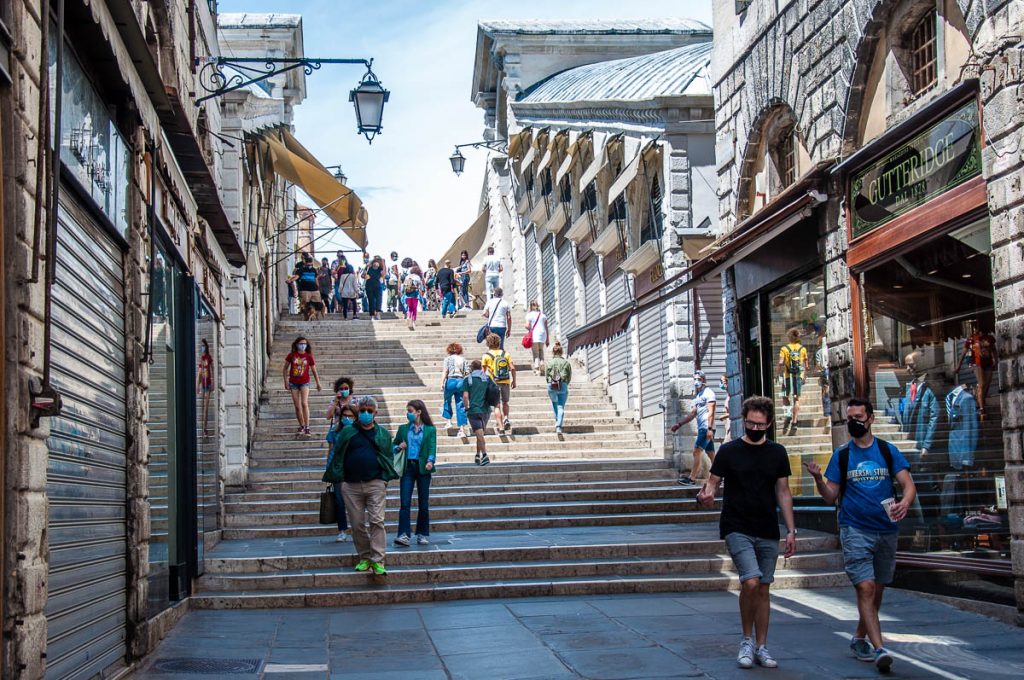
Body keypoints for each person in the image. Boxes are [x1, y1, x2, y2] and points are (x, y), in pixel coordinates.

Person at [804, 397, 917, 673]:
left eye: (858, 416)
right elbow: (831, 496)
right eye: (849, 417)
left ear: (870, 419)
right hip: (855, 529)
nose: (853, 421)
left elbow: (908, 485)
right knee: (865, 587)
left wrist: (905, 502)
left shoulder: (887, 451)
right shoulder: (842, 455)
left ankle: (858, 637)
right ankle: (880, 649)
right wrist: (819, 480)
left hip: (886, 529)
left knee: (877, 589)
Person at [696, 396, 796, 670]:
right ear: (744, 420)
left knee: (764, 587)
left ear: (769, 424)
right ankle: (746, 639)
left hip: (766, 527)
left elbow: (783, 492)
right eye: (750, 423)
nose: (754, 427)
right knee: (750, 581)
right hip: (736, 525)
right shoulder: (729, 451)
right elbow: (712, 483)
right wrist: (706, 495)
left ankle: (762, 646)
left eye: (760, 424)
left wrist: (790, 529)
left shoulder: (777, 453)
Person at [322, 396, 399, 576]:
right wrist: (339, 478)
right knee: (357, 524)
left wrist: (384, 480)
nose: (365, 413)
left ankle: (378, 560)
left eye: (369, 411)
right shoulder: (348, 432)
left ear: (375, 413)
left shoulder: (383, 434)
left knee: (377, 521)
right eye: (362, 410)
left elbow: (388, 457)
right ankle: (365, 557)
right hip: (351, 485)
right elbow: (338, 454)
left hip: (375, 483)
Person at [393, 399, 436, 547]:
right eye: (407, 411)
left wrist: (431, 461)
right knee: (405, 502)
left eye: (410, 411)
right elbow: (393, 446)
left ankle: (422, 533)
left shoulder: (430, 429)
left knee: (423, 503)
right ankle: (403, 534)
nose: (408, 414)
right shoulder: (403, 429)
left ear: (419, 412)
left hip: (423, 467)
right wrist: (399, 446)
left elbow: (432, 447)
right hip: (408, 468)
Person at [671, 370, 717, 486]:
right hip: (703, 427)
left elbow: (711, 412)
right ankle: (721, 476)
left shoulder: (709, 393)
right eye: (695, 379)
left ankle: (692, 478)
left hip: (706, 428)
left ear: (704, 380)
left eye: (699, 379)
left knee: (696, 452)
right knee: (711, 454)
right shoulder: (698, 395)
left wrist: (710, 429)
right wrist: (679, 424)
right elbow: (693, 414)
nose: (696, 381)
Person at [325, 402, 356, 543]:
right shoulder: (334, 431)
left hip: (353, 468)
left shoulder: (358, 431)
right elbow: (330, 449)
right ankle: (342, 530)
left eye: (350, 416)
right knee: (339, 500)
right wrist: (329, 468)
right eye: (345, 415)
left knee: (354, 501)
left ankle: (356, 527)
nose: (347, 418)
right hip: (337, 469)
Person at [283, 337, 322, 436]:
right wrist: (286, 381)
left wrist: (318, 383)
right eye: (300, 343)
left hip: (305, 382)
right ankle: (302, 425)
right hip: (293, 383)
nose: (302, 345)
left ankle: (307, 427)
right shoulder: (291, 355)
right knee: (297, 406)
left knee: (304, 403)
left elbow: (314, 370)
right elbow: (285, 369)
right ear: (296, 344)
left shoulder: (309, 356)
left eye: (304, 343)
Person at [462, 359, 494, 466]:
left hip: (474, 411)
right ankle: (478, 454)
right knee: (480, 434)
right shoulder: (487, 378)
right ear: (481, 368)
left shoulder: (468, 380)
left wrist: (466, 408)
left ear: (471, 368)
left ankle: (483, 455)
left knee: (479, 434)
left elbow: (465, 396)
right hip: (486, 411)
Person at [482, 332, 516, 432]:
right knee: (505, 402)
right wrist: (514, 380)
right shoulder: (505, 354)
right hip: (505, 381)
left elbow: (482, 372)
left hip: (493, 383)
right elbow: (512, 368)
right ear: (499, 343)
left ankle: (500, 427)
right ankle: (506, 418)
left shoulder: (486, 356)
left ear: (488, 343)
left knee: (497, 405)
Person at [778, 328, 808, 436]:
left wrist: (778, 372)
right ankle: (795, 422)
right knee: (796, 398)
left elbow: (781, 362)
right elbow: (806, 365)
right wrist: (804, 375)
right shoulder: (803, 349)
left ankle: (788, 414)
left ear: (789, 337)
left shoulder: (784, 349)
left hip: (787, 377)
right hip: (798, 376)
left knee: (785, 397)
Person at [441, 342, 470, 437]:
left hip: (451, 380)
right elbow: (467, 373)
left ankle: (449, 421)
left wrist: (441, 382)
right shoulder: (463, 359)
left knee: (447, 400)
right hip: (460, 381)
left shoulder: (447, 359)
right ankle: (461, 429)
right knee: (461, 404)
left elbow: (445, 371)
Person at [545, 342, 571, 435]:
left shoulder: (549, 363)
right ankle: (559, 426)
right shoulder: (566, 363)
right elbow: (569, 376)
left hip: (551, 385)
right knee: (560, 406)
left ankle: (557, 420)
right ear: (561, 352)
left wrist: (549, 383)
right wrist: (565, 383)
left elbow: (546, 375)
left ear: (553, 352)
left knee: (554, 403)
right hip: (563, 384)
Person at [482, 287, 512, 351]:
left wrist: (489, 316)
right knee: (500, 346)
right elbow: (509, 317)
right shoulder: (505, 303)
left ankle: (492, 358)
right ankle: (500, 359)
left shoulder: (490, 302)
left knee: (492, 345)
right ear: (502, 294)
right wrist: (509, 329)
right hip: (502, 326)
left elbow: (484, 313)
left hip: (492, 326)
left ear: (494, 294)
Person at [524, 301, 550, 375]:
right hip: (542, 335)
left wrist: (527, 327)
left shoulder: (529, 315)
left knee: (535, 353)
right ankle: (542, 363)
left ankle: (536, 369)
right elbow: (546, 327)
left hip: (534, 335)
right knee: (541, 350)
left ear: (530, 306)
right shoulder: (543, 315)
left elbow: (527, 326)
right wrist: (547, 339)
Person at [196, 339, 214, 437]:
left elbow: (212, 369)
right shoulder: (201, 359)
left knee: (206, 407)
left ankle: (205, 428)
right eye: (201, 346)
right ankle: (203, 428)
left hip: (208, 384)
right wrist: (197, 385)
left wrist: (213, 382)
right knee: (203, 406)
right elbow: (199, 373)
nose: (202, 348)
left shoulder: (208, 357)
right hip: (203, 384)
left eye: (203, 346)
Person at [403, 265, 424, 330]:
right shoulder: (417, 277)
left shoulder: (407, 276)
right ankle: (414, 322)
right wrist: (421, 295)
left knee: (409, 308)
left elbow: (403, 286)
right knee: (414, 308)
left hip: (407, 295)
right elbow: (420, 287)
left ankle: (408, 317)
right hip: (415, 294)